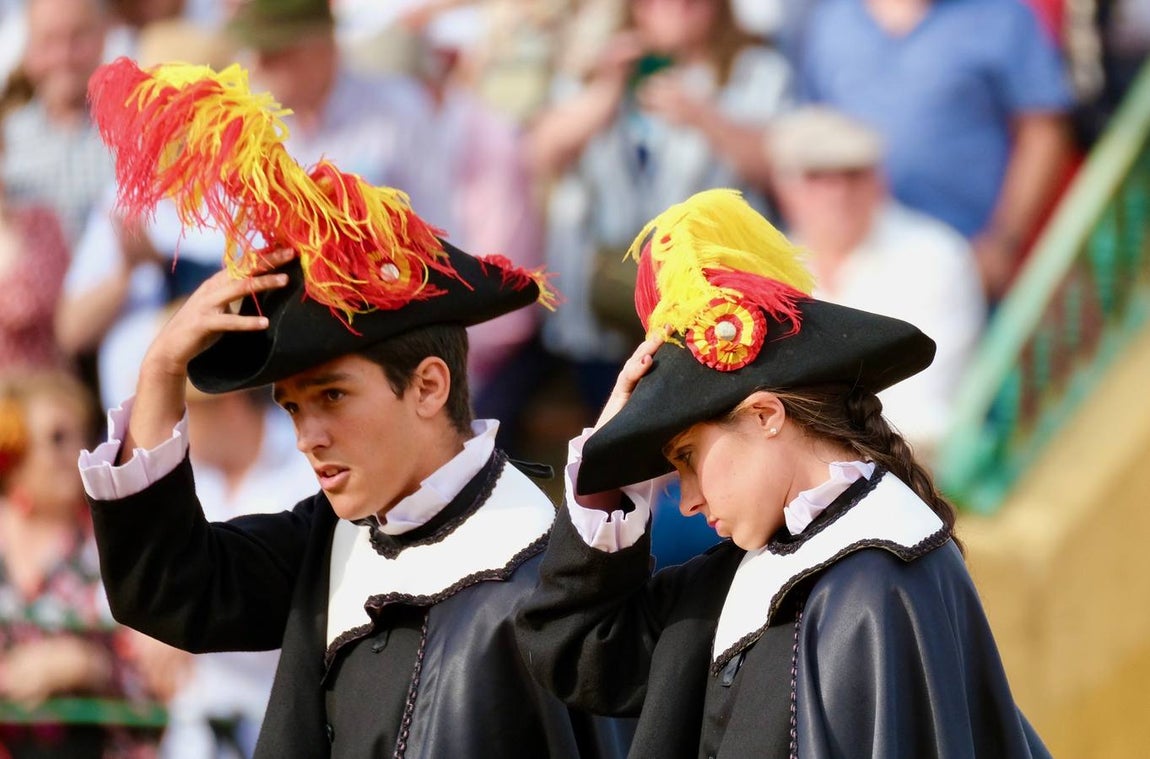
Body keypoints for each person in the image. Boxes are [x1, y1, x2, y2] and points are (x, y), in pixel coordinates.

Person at [75, 57, 629, 758]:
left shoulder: (541, 580)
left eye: (332, 396)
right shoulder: (331, 537)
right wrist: (159, 370)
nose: (308, 436)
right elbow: (171, 589)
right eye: (293, 407)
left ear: (429, 386)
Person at [514, 189, 1051, 758]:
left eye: (689, 457)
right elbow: (575, 652)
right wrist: (604, 470)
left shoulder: (875, 588)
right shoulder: (751, 573)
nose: (688, 501)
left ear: (766, 415)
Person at [530, 0, 792, 413]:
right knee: (611, 429)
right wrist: (606, 91)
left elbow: (778, 168)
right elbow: (541, 154)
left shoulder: (756, 69)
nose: (671, 12)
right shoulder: (599, 66)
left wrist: (704, 115)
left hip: (715, 303)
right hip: (607, 295)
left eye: (690, 4)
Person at [792, 0, 1075, 303]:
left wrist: (1003, 242)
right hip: (860, 269)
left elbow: (1042, 130)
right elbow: (813, 134)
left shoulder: (1000, 15)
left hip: (969, 259)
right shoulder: (832, 20)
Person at [767, 105, 986, 463]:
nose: (837, 191)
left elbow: (922, 410)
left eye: (853, 174)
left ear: (878, 179)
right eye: (816, 176)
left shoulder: (934, 255)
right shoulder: (770, 271)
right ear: (784, 188)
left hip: (914, 467)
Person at [0, 368, 156, 758]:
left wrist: (84, 665)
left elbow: (156, 685)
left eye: (82, 435)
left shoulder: (110, 550)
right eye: (56, 438)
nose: (79, 452)